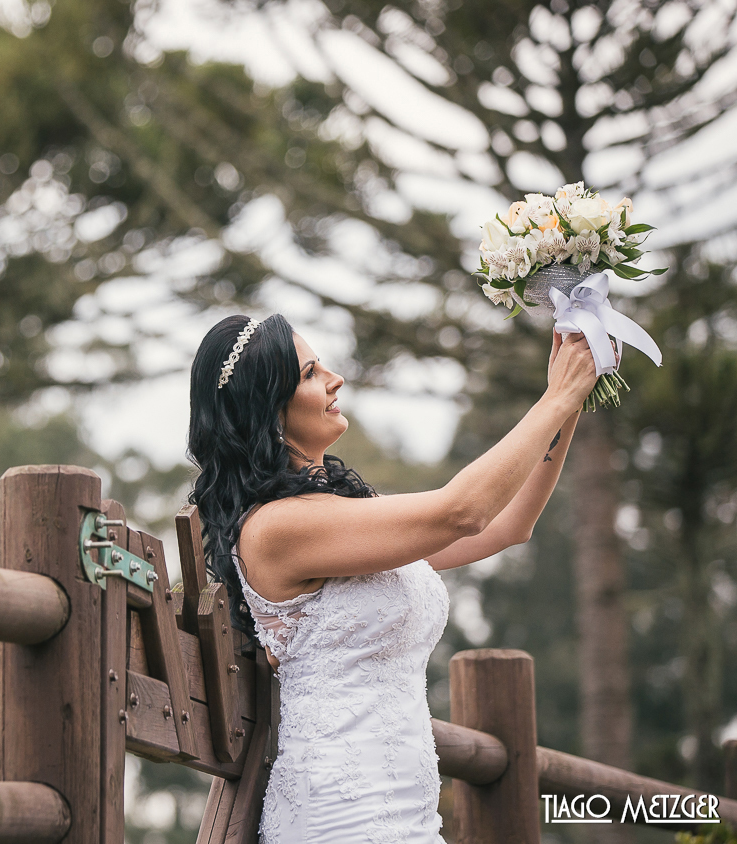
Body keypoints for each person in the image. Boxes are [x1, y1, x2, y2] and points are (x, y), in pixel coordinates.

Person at [185, 313, 600, 842]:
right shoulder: (275, 529)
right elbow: (463, 512)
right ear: (266, 409)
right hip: (338, 816)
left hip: (411, 815)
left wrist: (569, 400)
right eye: (310, 373)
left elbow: (507, 525)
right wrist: (557, 399)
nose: (334, 379)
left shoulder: (345, 515)